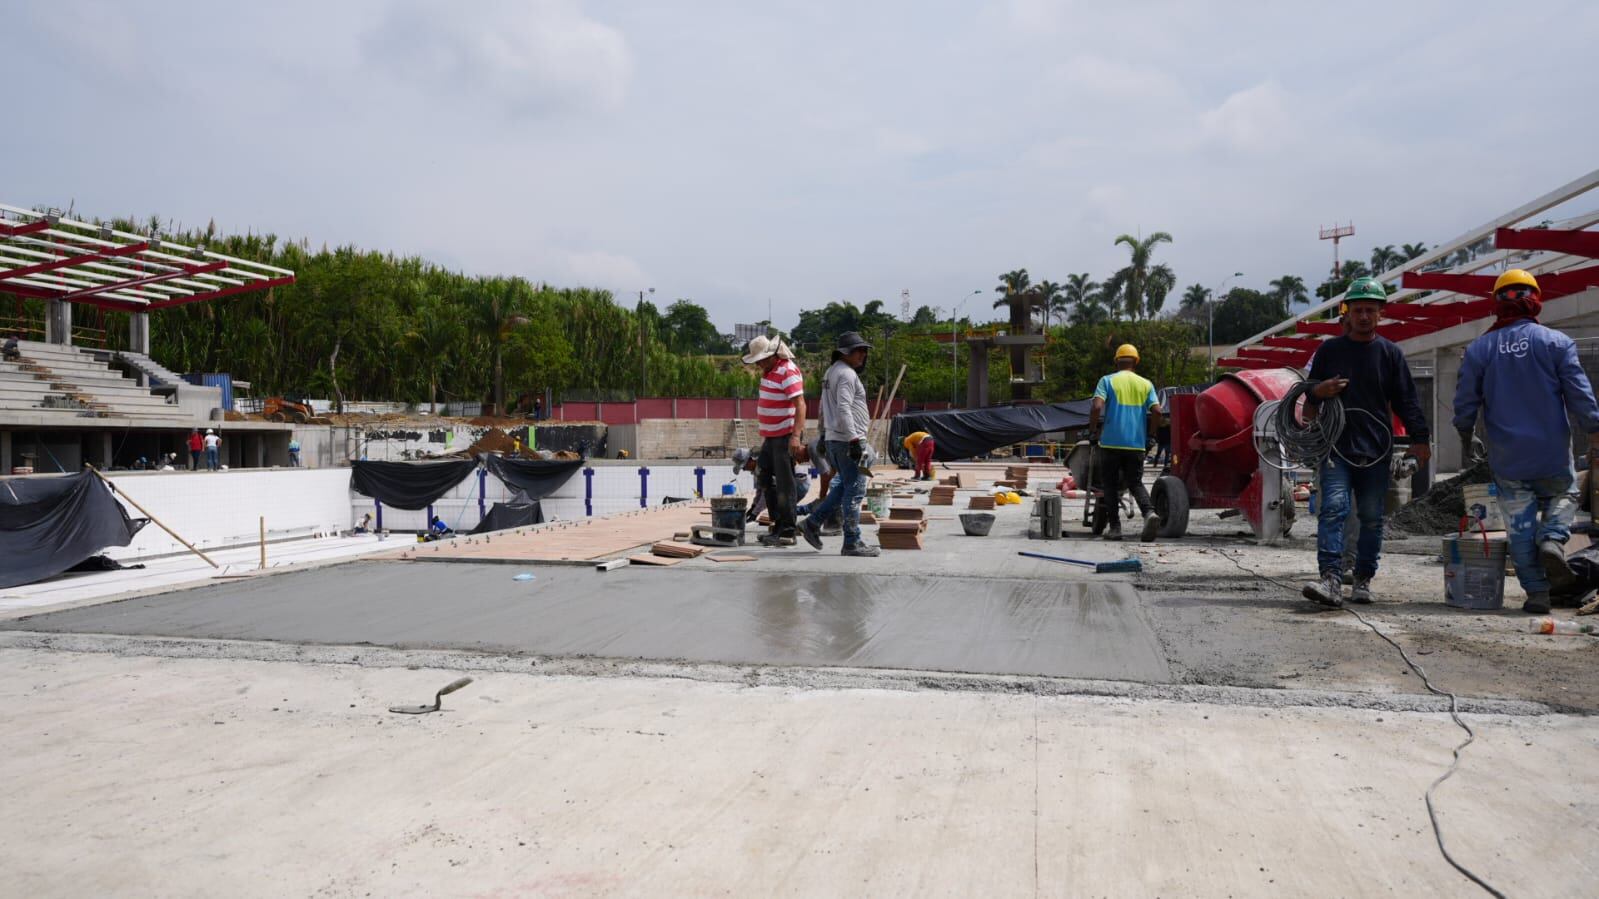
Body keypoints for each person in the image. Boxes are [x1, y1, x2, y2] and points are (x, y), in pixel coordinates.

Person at [1453, 269, 1599, 614]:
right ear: (1535, 301)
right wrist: (1594, 431)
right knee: (1565, 494)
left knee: (1518, 527)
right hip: (1551, 453)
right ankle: (1552, 539)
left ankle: (1537, 594)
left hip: (1508, 459)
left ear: (1497, 304)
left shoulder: (1480, 348)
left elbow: (1465, 403)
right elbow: (1580, 394)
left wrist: (1465, 435)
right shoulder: (1556, 343)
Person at [1301, 277, 1430, 607]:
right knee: (1333, 510)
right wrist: (1319, 391)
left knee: (1372, 517)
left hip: (1375, 451)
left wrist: (1420, 440)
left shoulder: (1390, 354)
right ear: (1347, 313)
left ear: (1380, 314)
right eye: (1357, 310)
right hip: (1337, 447)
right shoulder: (1329, 351)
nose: (1363, 316)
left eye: (1370, 310)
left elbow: (1407, 401)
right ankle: (1331, 579)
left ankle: (1362, 578)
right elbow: (1308, 396)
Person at [799, 331, 879, 556]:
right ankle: (852, 542)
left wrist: (824, 434)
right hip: (847, 440)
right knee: (855, 492)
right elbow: (843, 407)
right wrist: (854, 440)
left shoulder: (831, 371)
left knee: (844, 486)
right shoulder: (846, 374)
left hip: (836, 439)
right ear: (846, 352)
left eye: (864, 351)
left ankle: (812, 523)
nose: (863, 355)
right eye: (859, 351)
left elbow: (824, 406)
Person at [1089, 344, 1163, 542]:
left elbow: (1096, 407)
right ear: (1136, 362)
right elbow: (1157, 411)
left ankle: (1115, 528)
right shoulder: (1145, 384)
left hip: (1110, 444)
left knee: (1110, 486)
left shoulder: (1107, 381)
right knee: (1135, 482)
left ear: (1116, 361)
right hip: (1136, 444)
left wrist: (1093, 431)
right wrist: (1151, 435)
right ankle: (1149, 513)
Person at [744, 335, 807, 547]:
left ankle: (788, 531)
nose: (758, 364)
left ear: (772, 356)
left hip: (784, 436)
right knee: (763, 476)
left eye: (761, 360)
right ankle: (778, 525)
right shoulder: (770, 371)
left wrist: (795, 436)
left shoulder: (787, 370)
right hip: (771, 437)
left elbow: (800, 404)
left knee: (785, 483)